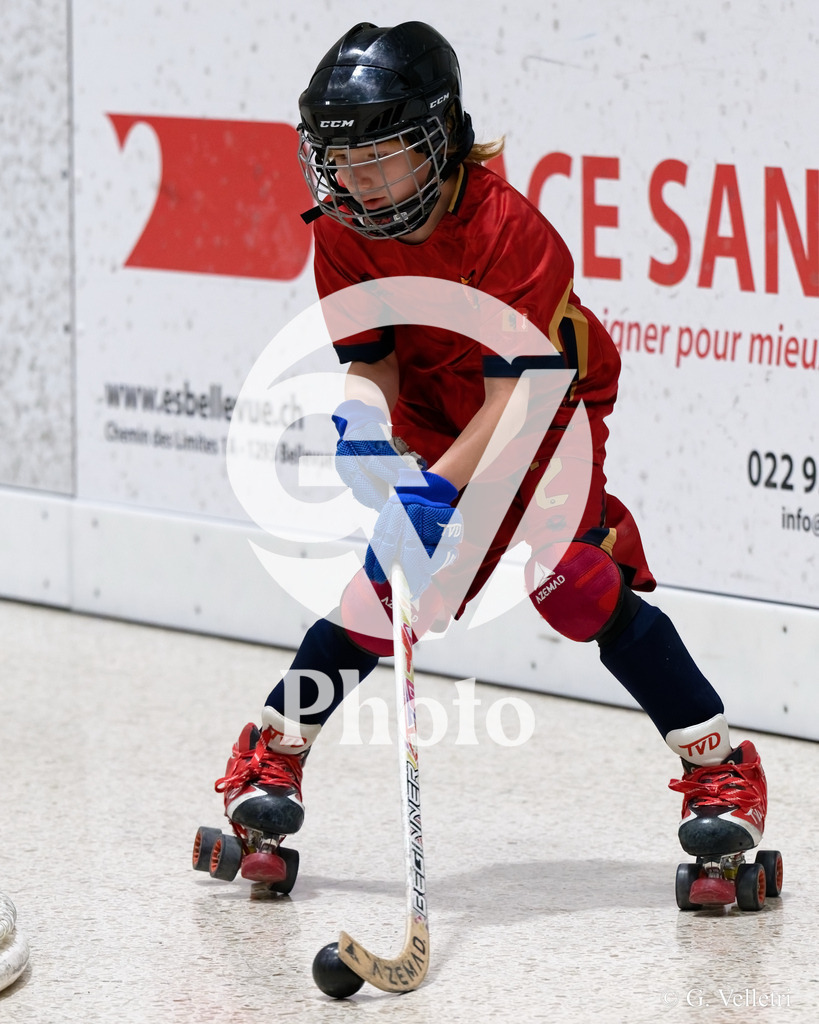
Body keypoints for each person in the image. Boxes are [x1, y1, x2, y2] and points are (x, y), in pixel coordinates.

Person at [212, 21, 768, 891]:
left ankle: (720, 771)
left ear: (438, 140)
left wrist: (436, 488)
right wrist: (361, 424)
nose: (354, 180)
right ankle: (269, 758)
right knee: (390, 587)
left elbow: (516, 401)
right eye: (338, 161)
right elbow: (372, 358)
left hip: (544, 412)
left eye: (377, 157)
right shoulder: (342, 230)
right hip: (436, 407)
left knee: (570, 581)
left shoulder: (511, 232)